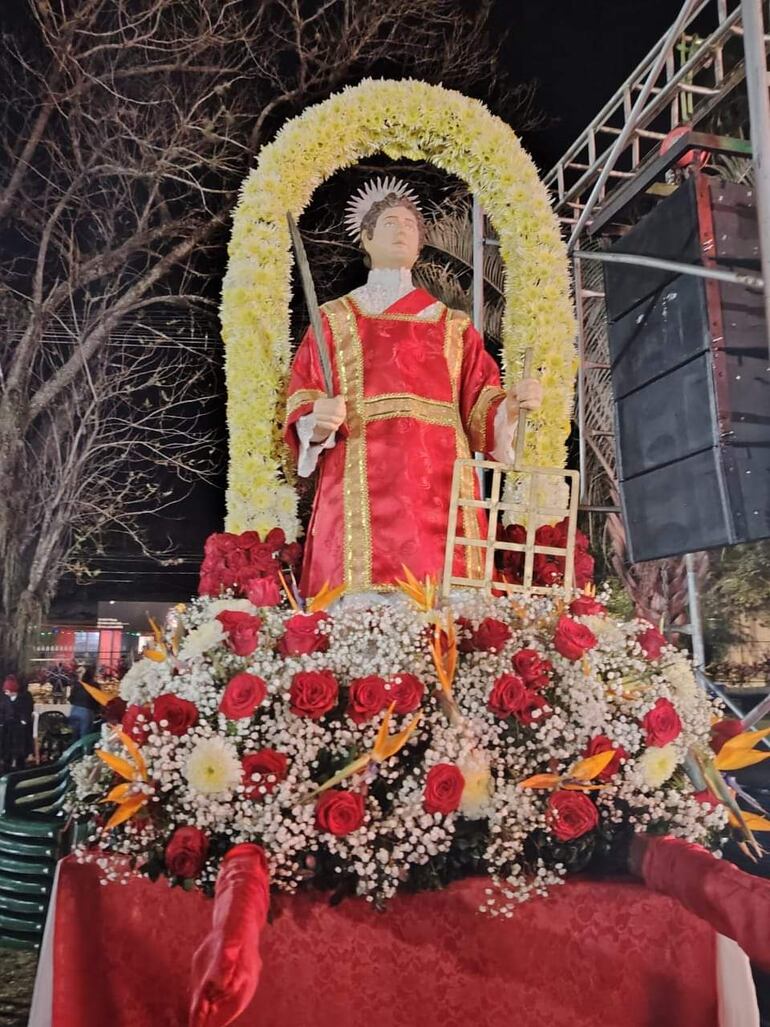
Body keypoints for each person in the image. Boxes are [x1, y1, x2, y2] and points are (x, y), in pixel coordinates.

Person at [283, 177, 544, 596]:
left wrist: (510, 406)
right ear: (366, 239)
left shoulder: (453, 326)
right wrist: (316, 419)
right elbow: (306, 392)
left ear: (421, 244)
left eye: (410, 223)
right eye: (389, 222)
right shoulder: (333, 320)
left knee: (445, 592)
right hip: (359, 463)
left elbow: (479, 402)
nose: (402, 229)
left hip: (440, 476)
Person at [0, 674, 34, 773]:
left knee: (18, 734)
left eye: (7, 691)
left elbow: (26, 711)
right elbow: (2, 712)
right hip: (7, 723)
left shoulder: (23, 699)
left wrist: (23, 720)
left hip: (18, 724)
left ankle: (17, 757)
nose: (5, 693)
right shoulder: (5, 700)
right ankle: (5, 756)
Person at [68, 665, 101, 740]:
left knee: (74, 734)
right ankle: (84, 751)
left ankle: (74, 750)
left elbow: (71, 699)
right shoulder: (95, 685)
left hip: (75, 709)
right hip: (87, 711)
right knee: (85, 736)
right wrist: (98, 710)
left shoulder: (77, 685)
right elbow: (98, 699)